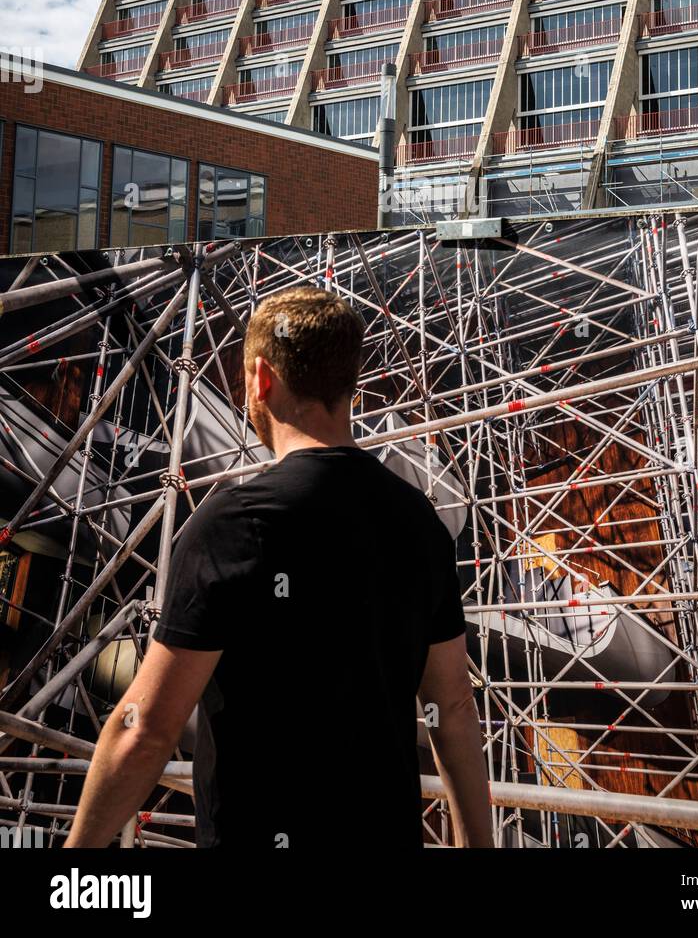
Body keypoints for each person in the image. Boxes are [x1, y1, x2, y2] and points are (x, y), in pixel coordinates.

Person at [64, 285, 493, 850]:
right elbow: (452, 710)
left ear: (261, 378)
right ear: (350, 384)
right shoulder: (422, 523)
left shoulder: (234, 524)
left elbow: (145, 729)